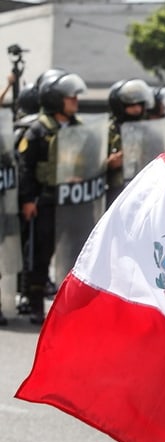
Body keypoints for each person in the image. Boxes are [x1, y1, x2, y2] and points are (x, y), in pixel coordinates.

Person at [17, 71, 87, 324]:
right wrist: (27, 200)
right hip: (46, 201)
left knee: (75, 254)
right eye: (70, 98)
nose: (75, 101)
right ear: (56, 100)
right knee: (40, 254)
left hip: (74, 202)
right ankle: (36, 304)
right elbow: (25, 167)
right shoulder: (38, 130)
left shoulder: (80, 128)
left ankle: (72, 307)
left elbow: (88, 160)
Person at [105, 78, 153, 205]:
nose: (137, 109)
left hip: (145, 187)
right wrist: (110, 163)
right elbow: (91, 165)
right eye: (131, 105)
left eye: (139, 104)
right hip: (117, 190)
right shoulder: (108, 131)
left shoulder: (149, 129)